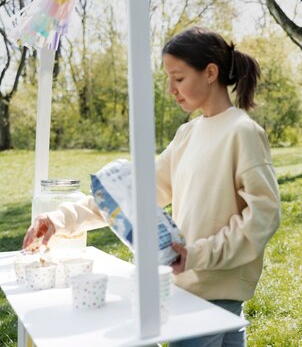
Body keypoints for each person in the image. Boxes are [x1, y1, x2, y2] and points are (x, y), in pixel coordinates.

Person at [22, 26, 282, 347]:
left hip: (213, 292)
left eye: (179, 77)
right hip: (187, 291)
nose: (171, 89)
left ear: (210, 72)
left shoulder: (243, 132)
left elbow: (264, 216)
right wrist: (60, 220)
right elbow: (135, 196)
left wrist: (198, 255)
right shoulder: (188, 133)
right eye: (168, 79)